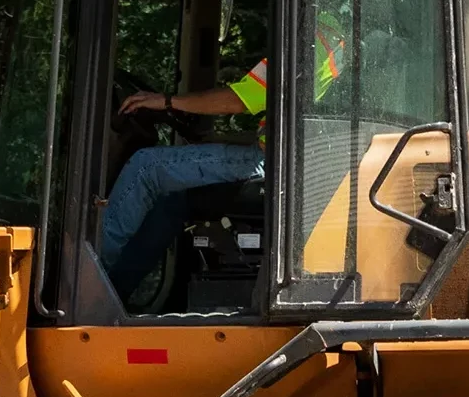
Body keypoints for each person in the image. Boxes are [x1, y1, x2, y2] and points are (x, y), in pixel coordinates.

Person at [98, 25, 345, 296]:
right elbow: (284, 128)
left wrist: (167, 101)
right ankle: (117, 290)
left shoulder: (305, 43)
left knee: (146, 166)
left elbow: (238, 100)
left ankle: (92, 281)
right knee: (170, 202)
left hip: (265, 162)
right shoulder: (331, 41)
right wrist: (219, 138)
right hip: (280, 159)